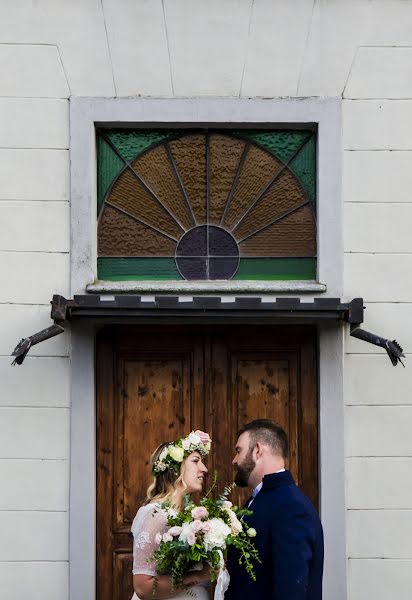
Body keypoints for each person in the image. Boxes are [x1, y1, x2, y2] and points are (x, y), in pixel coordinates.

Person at [225, 419, 324, 600]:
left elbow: (291, 588)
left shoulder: (291, 506)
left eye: (238, 451)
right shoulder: (260, 500)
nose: (234, 460)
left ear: (257, 450)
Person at [131, 430, 212, 600]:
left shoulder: (185, 515)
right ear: (176, 468)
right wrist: (198, 576)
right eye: (196, 461)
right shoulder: (156, 514)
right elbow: (143, 587)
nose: (204, 469)